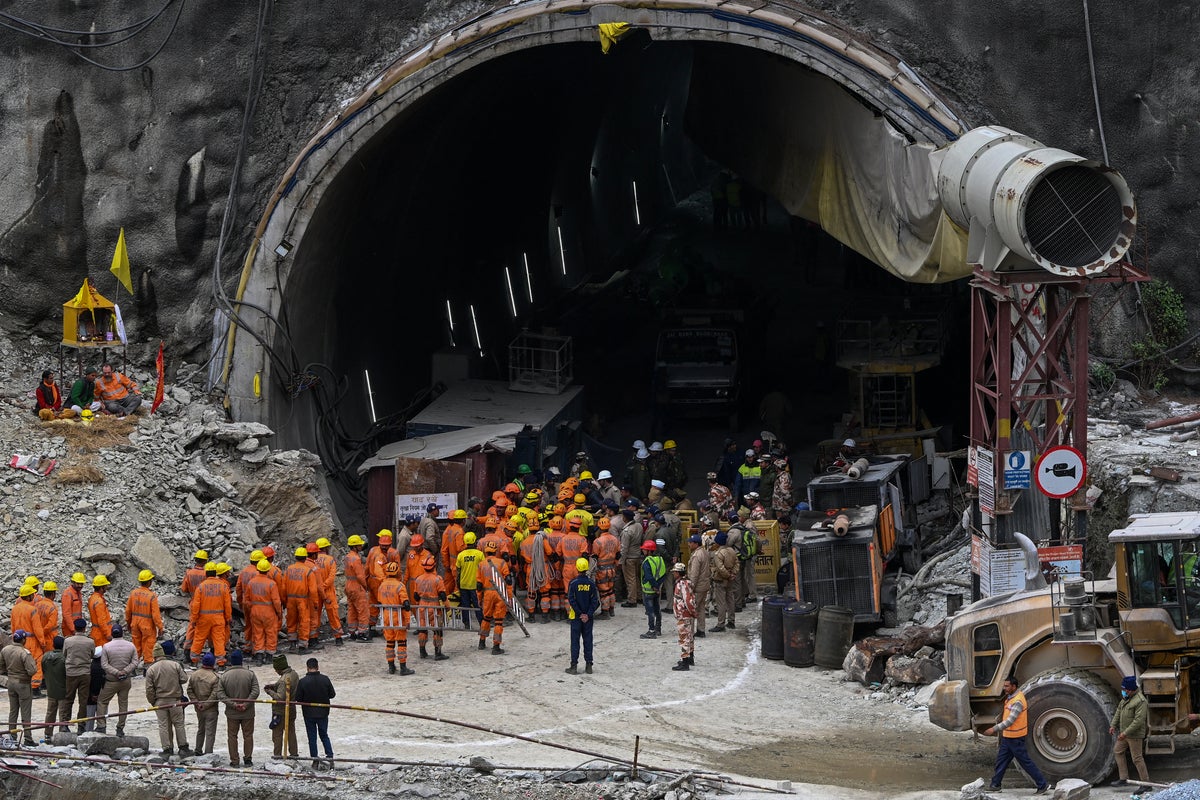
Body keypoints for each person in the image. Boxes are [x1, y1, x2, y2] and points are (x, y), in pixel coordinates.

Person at [984, 675, 1049, 795]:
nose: (1004, 688)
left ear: (1014, 686)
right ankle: (995, 784)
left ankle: (1042, 784)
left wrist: (994, 729)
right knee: (1001, 761)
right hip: (1008, 737)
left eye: (1007, 686)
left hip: (1015, 739)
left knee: (1025, 762)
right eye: (1004, 686)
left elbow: (1010, 721)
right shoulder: (1010, 697)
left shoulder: (1018, 701)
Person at [145, 641, 191, 756]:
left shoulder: (151, 669)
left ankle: (167, 749)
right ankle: (183, 748)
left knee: (163, 726)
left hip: (160, 701)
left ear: (154, 656)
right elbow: (184, 679)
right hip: (175, 700)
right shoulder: (174, 665)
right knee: (179, 724)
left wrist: (153, 702)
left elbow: (149, 690)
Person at [216, 650, 259, 767]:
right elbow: (255, 691)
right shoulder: (250, 674)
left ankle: (234, 760)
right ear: (241, 661)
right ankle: (248, 759)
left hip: (232, 713)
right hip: (248, 712)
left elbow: (220, 694)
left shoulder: (224, 676)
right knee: (248, 735)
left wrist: (233, 705)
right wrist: (245, 704)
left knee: (232, 736)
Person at [96, 625, 140, 736]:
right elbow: (135, 662)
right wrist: (125, 671)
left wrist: (116, 672)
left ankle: (101, 726)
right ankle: (120, 728)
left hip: (111, 680)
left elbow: (104, 664)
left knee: (102, 702)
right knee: (123, 704)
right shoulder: (130, 645)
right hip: (125, 681)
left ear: (111, 633)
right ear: (122, 633)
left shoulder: (106, 646)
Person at [294, 657, 336, 770]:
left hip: (308, 714)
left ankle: (315, 760)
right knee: (324, 735)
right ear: (318, 667)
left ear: (307, 668)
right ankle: (330, 757)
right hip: (323, 713)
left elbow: (298, 698)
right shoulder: (325, 679)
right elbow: (332, 694)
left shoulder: (303, 681)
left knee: (312, 737)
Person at [1110, 675, 1151, 788]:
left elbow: (1138, 721)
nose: (1123, 692)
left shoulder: (1140, 701)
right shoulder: (1126, 698)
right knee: (1118, 751)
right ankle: (1124, 778)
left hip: (1134, 735)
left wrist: (1125, 733)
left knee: (1137, 758)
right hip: (1124, 734)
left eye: (1125, 690)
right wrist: (1113, 725)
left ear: (1130, 689)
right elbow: (1119, 710)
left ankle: (1146, 784)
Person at [190, 562, 232, 665]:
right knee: (219, 640)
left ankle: (194, 662)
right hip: (218, 618)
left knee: (199, 638)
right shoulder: (223, 586)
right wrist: (228, 618)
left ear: (206, 573)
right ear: (215, 573)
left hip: (203, 618)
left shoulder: (200, 587)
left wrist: (194, 619)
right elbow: (227, 605)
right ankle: (221, 663)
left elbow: (196, 606)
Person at [0, 631, 37, 745]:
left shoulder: (5, 650)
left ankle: (12, 736)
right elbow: (32, 671)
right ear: (23, 640)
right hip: (23, 684)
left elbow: (1, 666)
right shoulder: (24, 653)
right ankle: (28, 738)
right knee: (26, 712)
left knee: (13, 711)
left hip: (10, 682)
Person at [411, 554, 450, 661]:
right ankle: (438, 653)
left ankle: (422, 651)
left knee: (422, 630)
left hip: (422, 607)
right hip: (434, 608)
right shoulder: (437, 579)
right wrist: (447, 607)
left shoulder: (418, 579)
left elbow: (415, 596)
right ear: (434, 566)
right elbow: (442, 595)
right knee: (437, 630)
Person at [565, 557, 599, 675]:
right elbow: (595, 601)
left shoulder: (573, 584)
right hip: (588, 619)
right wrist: (588, 614)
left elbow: (571, 599)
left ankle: (573, 666)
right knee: (588, 640)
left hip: (576, 617)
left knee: (575, 641)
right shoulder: (591, 584)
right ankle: (589, 665)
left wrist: (580, 614)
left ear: (577, 568)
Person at [378, 561, 413, 675]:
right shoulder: (400, 586)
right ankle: (403, 668)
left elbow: (379, 600)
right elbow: (406, 605)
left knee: (390, 642)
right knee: (401, 642)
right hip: (398, 616)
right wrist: (407, 621)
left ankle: (391, 667)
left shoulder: (382, 585)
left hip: (386, 616)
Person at [246, 559, 283, 664]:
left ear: (257, 569)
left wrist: (252, 609)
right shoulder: (271, 584)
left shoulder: (251, 582)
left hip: (255, 611)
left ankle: (259, 656)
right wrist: (279, 613)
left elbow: (246, 600)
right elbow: (276, 601)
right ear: (267, 570)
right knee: (271, 633)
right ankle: (269, 656)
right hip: (269, 612)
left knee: (258, 633)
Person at [477, 541, 511, 655]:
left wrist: (479, 598)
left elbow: (479, 585)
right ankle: (496, 647)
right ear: (496, 551)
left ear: (485, 551)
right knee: (498, 621)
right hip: (500, 594)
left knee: (486, 618)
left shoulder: (481, 564)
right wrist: (509, 597)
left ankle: (482, 642)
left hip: (487, 594)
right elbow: (509, 580)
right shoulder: (501, 563)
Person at [12, 583, 46, 695]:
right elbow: (37, 629)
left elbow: (13, 627)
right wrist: (42, 643)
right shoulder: (32, 609)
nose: (34, 596)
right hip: (31, 641)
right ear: (28, 596)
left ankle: (24, 688)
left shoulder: (15, 609)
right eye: (32, 594)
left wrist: (15, 640)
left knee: (22, 664)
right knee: (36, 662)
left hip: (18, 640)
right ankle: (35, 689)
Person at [265, 653, 300, 760]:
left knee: (277, 734)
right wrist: (275, 686)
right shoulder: (294, 674)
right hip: (292, 709)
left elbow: (280, 698)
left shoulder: (283, 680)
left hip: (280, 711)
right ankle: (294, 754)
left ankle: (277, 755)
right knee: (291, 733)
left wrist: (270, 691)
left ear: (279, 668)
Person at [284, 548, 318, 654]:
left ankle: (292, 644)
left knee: (291, 621)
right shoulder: (308, 571)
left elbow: (283, 586)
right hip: (302, 600)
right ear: (305, 558)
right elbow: (313, 590)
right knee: (304, 621)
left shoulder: (289, 569)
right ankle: (303, 646)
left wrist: (285, 600)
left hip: (290, 599)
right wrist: (315, 603)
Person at [126, 569, 164, 665]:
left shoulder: (133, 593)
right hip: (147, 625)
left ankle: (133, 666)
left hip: (135, 623)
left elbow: (128, 611)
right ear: (150, 582)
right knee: (148, 646)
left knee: (136, 646)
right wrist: (160, 627)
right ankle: (148, 666)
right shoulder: (151, 596)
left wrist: (128, 623)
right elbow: (156, 615)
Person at [63, 619, 93, 733]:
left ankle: (65, 724)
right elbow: (92, 654)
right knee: (83, 701)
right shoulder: (90, 642)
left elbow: (64, 654)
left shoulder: (68, 641)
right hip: (85, 673)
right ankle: (81, 725)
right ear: (85, 629)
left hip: (70, 673)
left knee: (68, 699)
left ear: (74, 628)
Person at [314, 537, 345, 647]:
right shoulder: (330, 560)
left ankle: (314, 638)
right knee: (333, 614)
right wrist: (324, 586)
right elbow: (332, 577)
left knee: (315, 615)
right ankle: (338, 638)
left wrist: (319, 587)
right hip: (328, 591)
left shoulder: (313, 560)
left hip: (316, 591)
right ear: (326, 548)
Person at [188, 653, 220, 755]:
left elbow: (189, 690)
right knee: (210, 732)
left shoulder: (194, 675)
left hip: (198, 708)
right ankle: (208, 752)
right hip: (210, 709)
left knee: (200, 729)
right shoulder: (215, 677)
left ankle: (198, 749)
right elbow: (215, 695)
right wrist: (205, 705)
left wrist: (197, 702)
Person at [454, 532, 485, 630]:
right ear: (475, 541)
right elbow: (483, 569)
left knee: (465, 605)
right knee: (478, 605)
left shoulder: (461, 555)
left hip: (464, 584)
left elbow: (458, 571)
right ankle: (481, 623)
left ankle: (466, 623)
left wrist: (458, 583)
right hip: (475, 584)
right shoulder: (480, 554)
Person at [342, 535, 370, 641]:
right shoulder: (356, 558)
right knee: (362, 610)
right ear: (355, 546)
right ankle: (362, 633)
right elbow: (360, 576)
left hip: (348, 585)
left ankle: (352, 632)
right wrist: (365, 586)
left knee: (352, 609)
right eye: (359, 544)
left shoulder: (347, 557)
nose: (361, 546)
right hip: (356, 586)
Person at [710, 532, 739, 632]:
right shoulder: (732, 550)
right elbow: (737, 563)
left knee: (721, 602)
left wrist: (727, 575)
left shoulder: (718, 554)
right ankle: (731, 621)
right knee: (730, 600)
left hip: (720, 580)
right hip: (731, 579)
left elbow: (720, 568)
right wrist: (733, 574)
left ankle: (720, 623)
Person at [41, 635, 68, 738]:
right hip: (63, 691)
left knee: (50, 713)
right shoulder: (64, 658)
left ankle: (47, 734)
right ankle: (62, 736)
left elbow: (44, 671)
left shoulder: (45, 657)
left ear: (53, 645)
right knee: (63, 714)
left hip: (51, 690)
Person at [638, 540, 667, 639]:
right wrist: (658, 586)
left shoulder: (647, 562)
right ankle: (658, 629)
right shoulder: (660, 559)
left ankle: (651, 631)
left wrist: (654, 586)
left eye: (644, 550)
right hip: (657, 590)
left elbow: (649, 576)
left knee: (650, 611)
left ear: (649, 551)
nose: (643, 551)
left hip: (648, 590)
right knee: (657, 609)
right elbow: (663, 574)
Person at [671, 562, 697, 671]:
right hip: (687, 614)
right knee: (689, 636)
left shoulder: (681, 584)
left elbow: (687, 600)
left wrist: (692, 611)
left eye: (675, 572)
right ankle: (690, 657)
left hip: (684, 614)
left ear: (678, 572)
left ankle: (685, 661)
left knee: (684, 637)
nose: (673, 574)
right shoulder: (687, 582)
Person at [686, 534, 712, 638]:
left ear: (695, 544)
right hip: (704, 585)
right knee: (701, 608)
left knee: (691, 608)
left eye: (690, 542)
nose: (688, 544)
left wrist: (690, 587)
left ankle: (690, 632)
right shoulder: (704, 552)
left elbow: (694, 574)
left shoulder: (697, 555)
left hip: (697, 587)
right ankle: (701, 630)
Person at [61, 572, 86, 638]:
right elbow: (66, 614)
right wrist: (73, 630)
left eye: (81, 584)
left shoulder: (78, 593)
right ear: (73, 582)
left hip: (77, 627)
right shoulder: (68, 594)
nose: (80, 585)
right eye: (78, 583)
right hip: (69, 629)